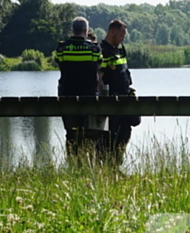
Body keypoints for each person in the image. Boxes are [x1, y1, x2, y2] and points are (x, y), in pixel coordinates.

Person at [55, 17, 103, 153]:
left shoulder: (62, 47)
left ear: (73, 30)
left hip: (67, 96)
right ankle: (87, 163)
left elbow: (59, 63)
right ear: (86, 31)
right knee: (89, 133)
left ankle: (73, 164)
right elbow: (98, 66)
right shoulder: (94, 48)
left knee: (71, 133)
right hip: (89, 97)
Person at [98, 19, 139, 165]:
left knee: (125, 133)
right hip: (111, 103)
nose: (123, 39)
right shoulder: (103, 50)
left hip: (125, 99)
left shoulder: (120, 49)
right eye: (121, 35)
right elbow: (99, 78)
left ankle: (116, 165)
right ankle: (108, 168)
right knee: (109, 137)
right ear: (113, 32)